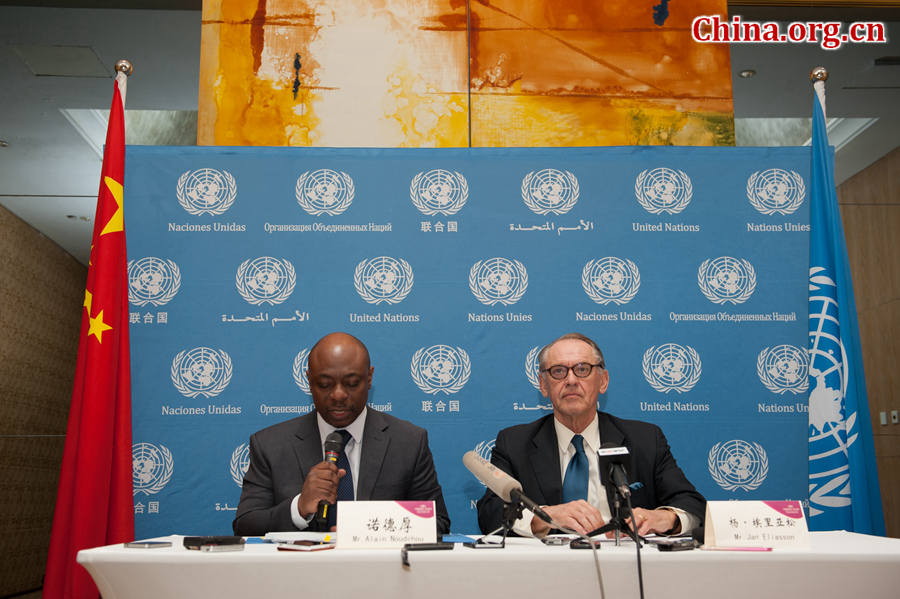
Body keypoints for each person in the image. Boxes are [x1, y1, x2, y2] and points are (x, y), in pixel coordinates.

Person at [476, 333, 705, 538]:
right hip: (547, 570)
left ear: (603, 381)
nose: (571, 380)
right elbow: (490, 513)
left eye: (582, 369)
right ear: (543, 385)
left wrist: (666, 518)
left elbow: (693, 505)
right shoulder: (515, 443)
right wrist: (543, 517)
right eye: (558, 371)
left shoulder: (645, 439)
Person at [233, 332, 451, 536]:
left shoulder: (408, 441)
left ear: (370, 377)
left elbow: (438, 524)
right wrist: (298, 508)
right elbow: (246, 524)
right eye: (325, 384)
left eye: (352, 383)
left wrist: (365, 532)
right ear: (309, 380)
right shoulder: (270, 445)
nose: (338, 395)